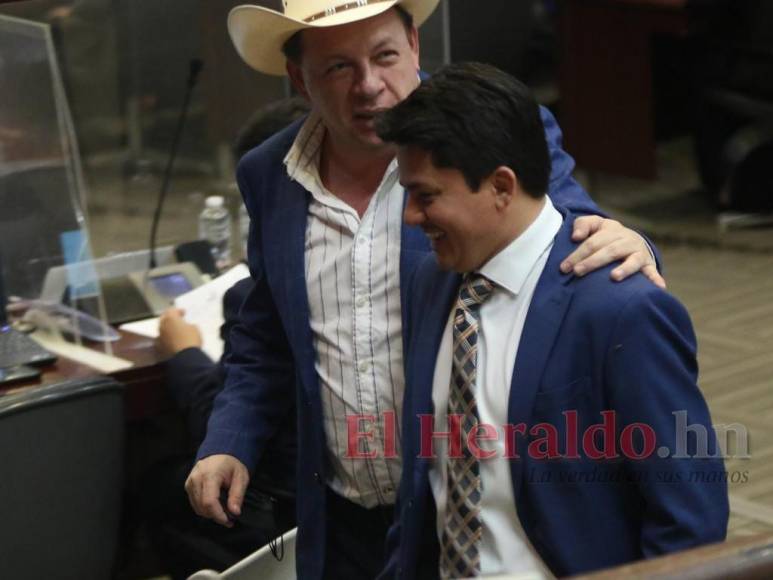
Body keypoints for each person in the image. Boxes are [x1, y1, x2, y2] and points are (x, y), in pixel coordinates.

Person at [185, 2, 666, 578]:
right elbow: (264, 335)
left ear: (415, 43)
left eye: (385, 56)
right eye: (338, 68)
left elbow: (573, 235)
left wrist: (631, 242)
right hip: (337, 520)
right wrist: (229, 439)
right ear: (298, 77)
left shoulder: (489, 131)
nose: (369, 86)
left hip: (461, 512)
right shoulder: (269, 175)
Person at [375, 62, 729, 579]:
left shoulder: (620, 309)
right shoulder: (433, 281)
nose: (410, 216)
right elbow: (428, 492)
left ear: (501, 186)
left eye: (426, 195)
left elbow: (691, 519)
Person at [143, 278, 296, 578]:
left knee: (155, 483)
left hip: (279, 510)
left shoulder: (257, 293)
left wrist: (184, 351)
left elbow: (224, 413)